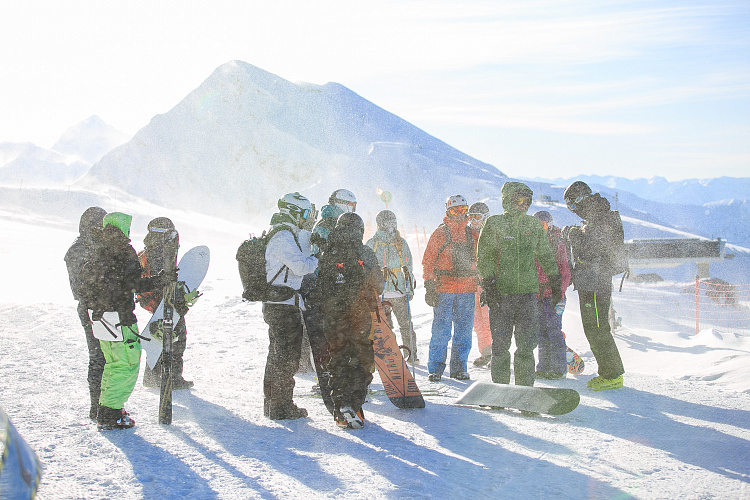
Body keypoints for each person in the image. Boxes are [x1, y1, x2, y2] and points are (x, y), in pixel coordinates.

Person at [87, 212, 173, 429]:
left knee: (113, 363)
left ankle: (106, 408)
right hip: (120, 317)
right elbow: (133, 284)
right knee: (126, 364)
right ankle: (110, 414)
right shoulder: (122, 251)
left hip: (100, 317)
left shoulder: (98, 249)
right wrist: (160, 280)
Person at [476, 182, 561, 390]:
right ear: (508, 200)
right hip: (501, 294)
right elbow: (484, 256)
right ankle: (500, 389)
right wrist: (489, 282)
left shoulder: (532, 225)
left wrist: (555, 280)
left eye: (527, 201)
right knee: (501, 346)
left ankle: (524, 389)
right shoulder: (494, 224)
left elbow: (545, 254)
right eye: (518, 200)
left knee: (526, 346)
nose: (523, 205)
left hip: (528, 295)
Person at [318, 212, 383, 429]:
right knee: (361, 360)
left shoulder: (327, 252)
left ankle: (339, 410)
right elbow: (379, 284)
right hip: (359, 315)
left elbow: (318, 283)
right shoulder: (364, 252)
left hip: (333, 317)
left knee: (338, 359)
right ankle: (355, 406)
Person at [299, 188, 358, 414]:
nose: (352, 210)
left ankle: (336, 378)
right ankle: (326, 379)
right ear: (341, 203)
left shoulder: (337, 223)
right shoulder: (327, 223)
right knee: (326, 336)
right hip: (322, 287)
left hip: (330, 286)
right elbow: (320, 256)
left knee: (333, 336)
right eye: (350, 205)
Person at [563, 181, 625, 390]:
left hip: (596, 279)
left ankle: (612, 374)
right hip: (591, 279)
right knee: (593, 327)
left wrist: (574, 235)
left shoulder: (600, 216)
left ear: (580, 200)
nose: (574, 211)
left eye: (573, 206)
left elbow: (592, 248)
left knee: (598, 328)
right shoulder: (597, 215)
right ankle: (609, 372)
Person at [262, 192, 319, 420]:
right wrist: (319, 259)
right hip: (281, 304)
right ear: (294, 212)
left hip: (283, 302)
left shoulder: (288, 234)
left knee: (278, 355)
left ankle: (274, 403)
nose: (307, 218)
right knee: (286, 357)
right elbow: (300, 267)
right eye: (305, 214)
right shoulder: (282, 236)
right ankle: (280, 405)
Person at [423, 195, 479, 382]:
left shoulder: (473, 235)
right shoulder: (440, 233)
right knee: (441, 330)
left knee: (464, 330)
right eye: (455, 210)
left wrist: (485, 283)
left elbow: (483, 261)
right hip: (444, 289)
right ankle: (435, 368)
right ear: (447, 211)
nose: (459, 214)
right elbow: (428, 261)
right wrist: (429, 284)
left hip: (467, 289)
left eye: (463, 210)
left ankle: (459, 368)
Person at [136, 217, 195, 390]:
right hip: (165, 301)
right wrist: (177, 300)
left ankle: (152, 376)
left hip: (155, 301)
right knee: (176, 338)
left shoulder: (149, 249)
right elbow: (166, 279)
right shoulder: (162, 252)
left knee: (158, 337)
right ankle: (173, 377)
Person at [64, 206, 108, 421]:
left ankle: (105, 405)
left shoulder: (92, 245)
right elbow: (83, 285)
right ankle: (97, 406)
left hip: (102, 307)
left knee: (107, 357)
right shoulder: (79, 249)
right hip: (92, 308)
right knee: (99, 357)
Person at [366, 210, 419, 364]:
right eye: (388, 223)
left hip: (400, 292)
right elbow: (367, 268)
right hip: (380, 292)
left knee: (406, 325)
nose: (392, 226)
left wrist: (409, 289)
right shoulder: (372, 243)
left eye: (393, 223)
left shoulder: (401, 242)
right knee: (386, 328)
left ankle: (412, 354)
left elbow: (408, 267)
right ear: (380, 224)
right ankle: (392, 354)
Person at [532, 211, 571, 379]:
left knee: (554, 330)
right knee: (541, 332)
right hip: (537, 295)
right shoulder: (531, 243)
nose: (542, 229)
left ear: (550, 225)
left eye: (545, 225)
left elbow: (565, 271)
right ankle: (543, 366)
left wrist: (559, 293)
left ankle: (558, 368)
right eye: (538, 226)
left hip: (553, 295)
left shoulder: (557, 244)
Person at [467, 202, 492, 367]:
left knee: (489, 321)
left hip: (487, 284)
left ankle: (497, 353)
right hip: (470, 284)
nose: (474, 221)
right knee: (477, 323)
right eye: (471, 217)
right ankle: (486, 352)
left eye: (477, 217)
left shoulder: (490, 233)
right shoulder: (467, 234)